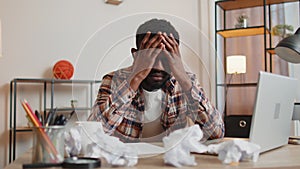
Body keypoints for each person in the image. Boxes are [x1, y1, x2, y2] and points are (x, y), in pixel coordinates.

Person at [88, 18, 224, 142]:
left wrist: (184, 79)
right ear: (136, 55)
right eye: (151, 56)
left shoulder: (184, 83)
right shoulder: (113, 80)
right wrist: (135, 78)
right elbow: (93, 135)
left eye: (166, 58)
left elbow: (216, 134)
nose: (158, 67)